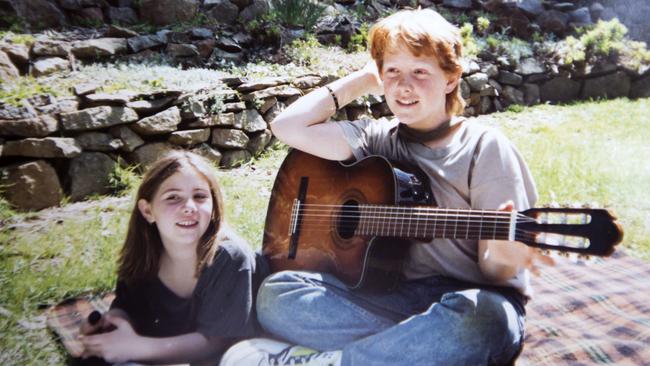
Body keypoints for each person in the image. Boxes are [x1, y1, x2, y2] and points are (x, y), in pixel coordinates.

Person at [220, 8, 555, 366]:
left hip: (466, 300)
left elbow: (497, 273)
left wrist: (504, 255)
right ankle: (407, 352)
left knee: (486, 322)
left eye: (420, 72)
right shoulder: (378, 138)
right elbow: (288, 127)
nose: (403, 86)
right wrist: (362, 80)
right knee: (277, 294)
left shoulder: (485, 148)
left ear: (452, 78)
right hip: (390, 298)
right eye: (392, 71)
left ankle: (337, 361)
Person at [78, 151, 269, 365]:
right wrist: (112, 326)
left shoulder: (230, 257)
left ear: (214, 206)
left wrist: (134, 347)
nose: (189, 207)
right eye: (173, 197)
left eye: (200, 196)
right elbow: (126, 304)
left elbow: (217, 343)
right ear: (147, 210)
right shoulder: (145, 249)